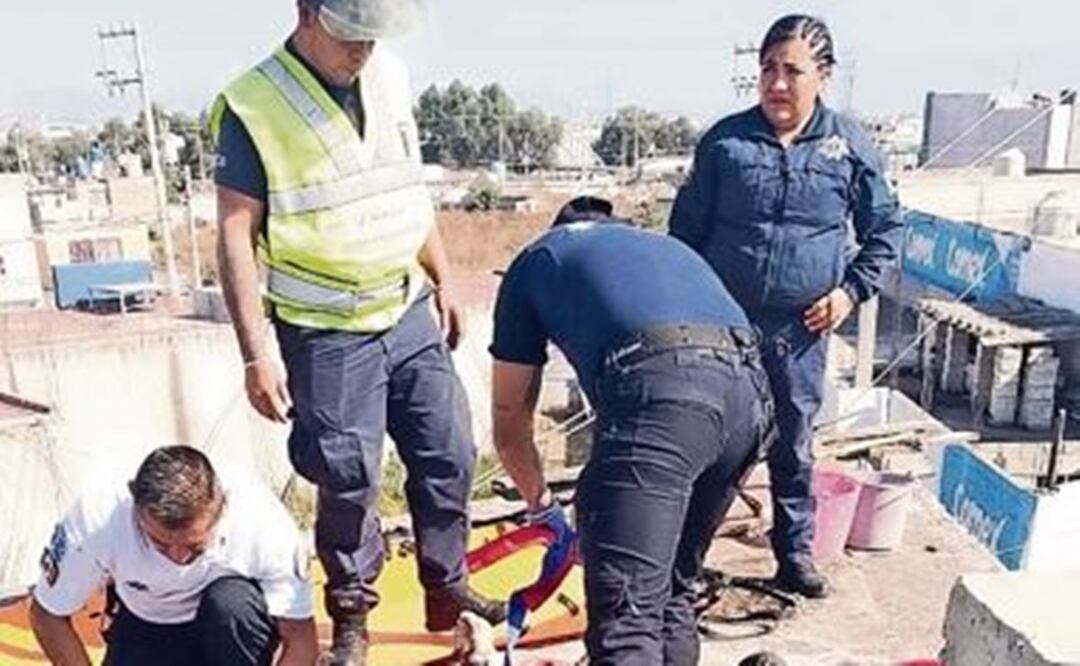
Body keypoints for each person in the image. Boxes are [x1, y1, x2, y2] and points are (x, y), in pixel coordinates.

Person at [211, 0, 505, 662]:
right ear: (306, 11)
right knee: (348, 476)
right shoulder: (252, 106)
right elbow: (234, 236)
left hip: (405, 309)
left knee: (450, 450)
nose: (363, 49)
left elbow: (405, 190)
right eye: (351, 33)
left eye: (373, 34)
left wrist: (443, 276)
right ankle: (351, 611)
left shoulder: (389, 75)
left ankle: (446, 584)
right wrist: (256, 354)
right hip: (326, 330)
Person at [669, 14, 904, 599]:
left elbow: (886, 231)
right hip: (724, 327)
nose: (776, 84)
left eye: (792, 71)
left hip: (801, 329)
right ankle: (682, 564)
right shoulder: (725, 143)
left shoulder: (849, 146)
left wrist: (849, 293)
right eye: (768, 69)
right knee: (714, 443)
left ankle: (794, 556)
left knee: (793, 445)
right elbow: (684, 237)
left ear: (823, 75)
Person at [490, 197, 774, 665]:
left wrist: (543, 510)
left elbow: (508, 424)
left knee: (627, 620)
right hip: (748, 400)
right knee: (672, 593)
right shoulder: (667, 249)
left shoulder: (539, 258)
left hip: (666, 399)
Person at [29, 446, 317, 666]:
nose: (177, 558)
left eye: (194, 545)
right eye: (160, 543)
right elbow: (47, 615)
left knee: (231, 602)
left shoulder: (264, 523)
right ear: (135, 510)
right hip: (148, 619)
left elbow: (301, 641)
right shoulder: (97, 517)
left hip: (227, 625)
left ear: (222, 507)